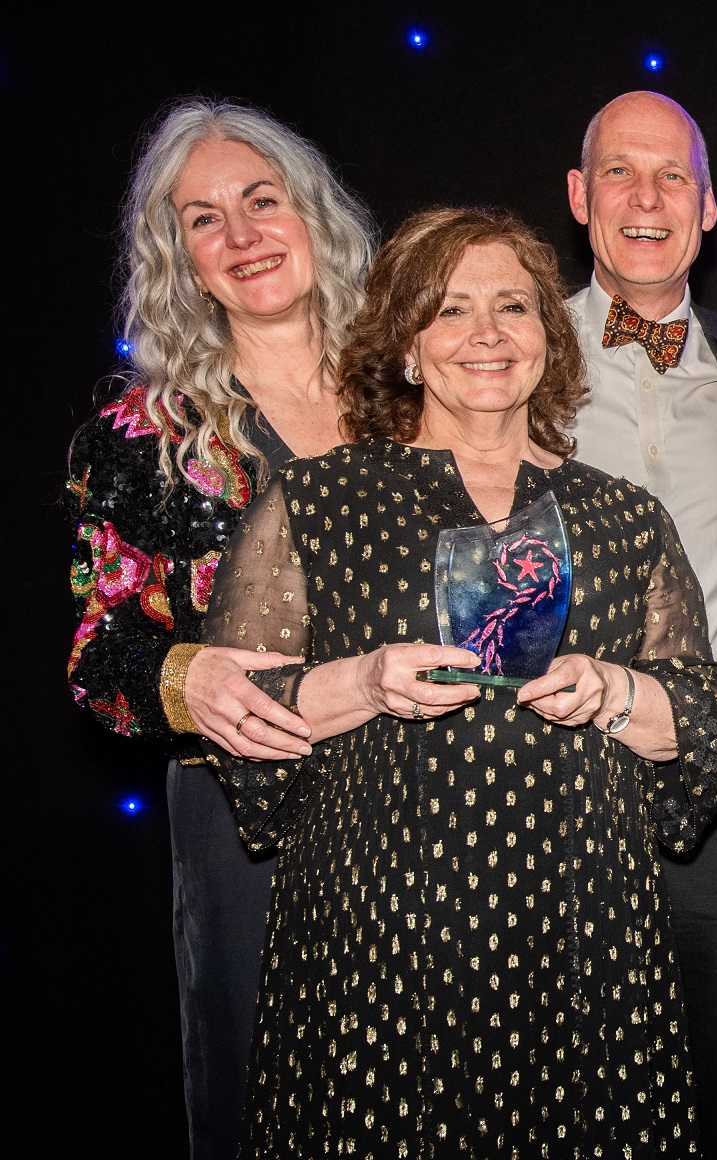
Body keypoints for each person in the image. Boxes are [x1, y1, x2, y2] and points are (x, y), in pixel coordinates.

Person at [201, 206, 717, 1156]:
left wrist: (614, 689)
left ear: (548, 339)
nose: (487, 333)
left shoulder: (625, 516)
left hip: (584, 934)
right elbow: (243, 728)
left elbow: (698, 733)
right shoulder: (319, 500)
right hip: (378, 936)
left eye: (515, 307)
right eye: (451, 310)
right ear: (407, 342)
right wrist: (363, 683)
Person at [63, 97, 372, 1160]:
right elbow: (98, 658)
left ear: (313, 215)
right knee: (277, 1111)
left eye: (259, 200)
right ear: (178, 255)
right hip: (254, 831)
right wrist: (187, 678)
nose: (240, 236)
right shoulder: (140, 435)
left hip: (432, 800)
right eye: (203, 219)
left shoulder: (422, 387)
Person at [564, 90, 717, 1160]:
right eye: (620, 170)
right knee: (559, 1062)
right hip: (547, 763)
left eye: (673, 175)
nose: (647, 197)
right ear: (579, 197)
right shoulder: (501, 354)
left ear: (708, 208)